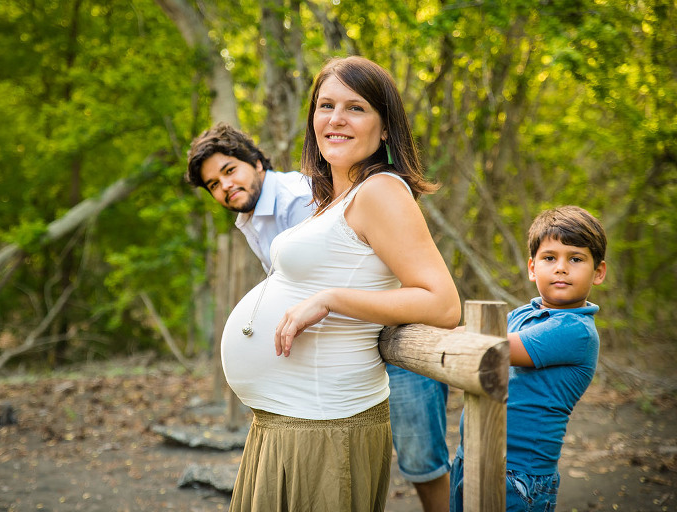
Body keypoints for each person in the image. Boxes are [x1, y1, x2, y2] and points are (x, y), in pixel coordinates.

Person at [219, 56, 461, 511]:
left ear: (385, 126)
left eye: (356, 108)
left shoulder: (381, 191)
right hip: (287, 422)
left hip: (322, 424)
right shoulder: (335, 198)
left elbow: (443, 303)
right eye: (326, 105)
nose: (336, 119)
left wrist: (329, 299)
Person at [450, 205, 608, 511]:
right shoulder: (524, 313)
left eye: (575, 259)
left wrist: (446, 334)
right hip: (470, 454)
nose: (561, 267)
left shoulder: (575, 330)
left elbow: (491, 348)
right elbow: (473, 332)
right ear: (533, 267)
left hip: (518, 475)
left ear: (598, 272)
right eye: (550, 258)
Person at [186, 123, 314, 272]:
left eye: (229, 171)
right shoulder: (251, 214)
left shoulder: (297, 200)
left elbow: (321, 279)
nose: (225, 185)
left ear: (256, 163)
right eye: (214, 184)